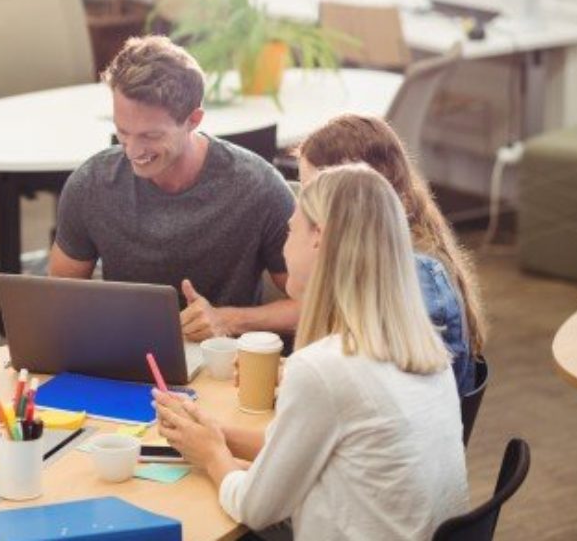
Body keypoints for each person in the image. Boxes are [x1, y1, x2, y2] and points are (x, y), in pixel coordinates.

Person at [154, 164, 469, 539]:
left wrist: (211, 455)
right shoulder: (422, 347)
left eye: (289, 231)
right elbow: (308, 449)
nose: (284, 246)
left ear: (318, 237)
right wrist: (214, 434)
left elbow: (254, 508)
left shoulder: (325, 369)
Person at [48, 35, 296, 336]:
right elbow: (56, 303)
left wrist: (229, 320)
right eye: (123, 132)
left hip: (223, 367)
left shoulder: (258, 187)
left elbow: (316, 305)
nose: (133, 152)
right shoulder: (91, 185)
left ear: (193, 120)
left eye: (151, 136)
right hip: (126, 361)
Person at [296, 114, 486, 394]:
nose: (304, 207)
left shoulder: (416, 275)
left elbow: (382, 393)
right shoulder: (384, 250)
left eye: (313, 192)